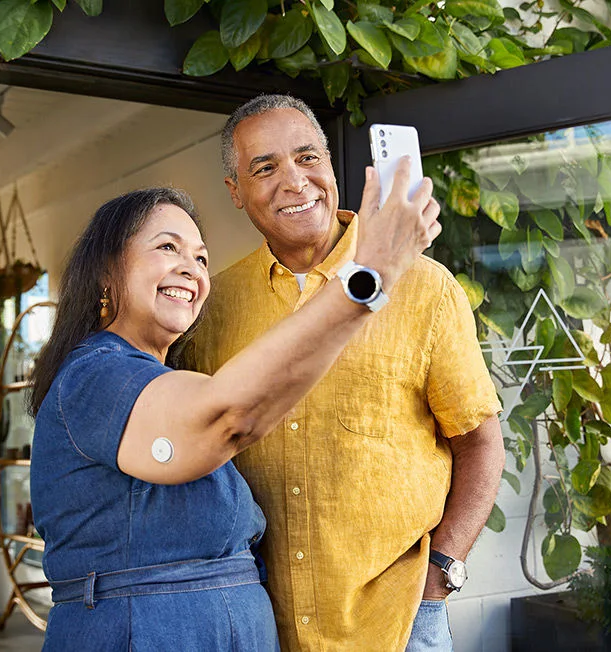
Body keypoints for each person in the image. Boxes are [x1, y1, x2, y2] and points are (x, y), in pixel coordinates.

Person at [29, 175, 439, 650]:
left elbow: (261, 398)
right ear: (106, 270)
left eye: (201, 258)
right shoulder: (94, 377)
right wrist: (368, 273)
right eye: (168, 247)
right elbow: (228, 415)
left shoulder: (162, 377)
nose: (191, 270)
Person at [186, 94, 506, 651]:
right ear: (235, 191)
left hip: (400, 621)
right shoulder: (213, 307)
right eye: (265, 168)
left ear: (332, 167)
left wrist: (443, 570)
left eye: (307, 157)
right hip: (262, 624)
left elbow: (480, 442)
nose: (294, 181)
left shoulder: (424, 287)